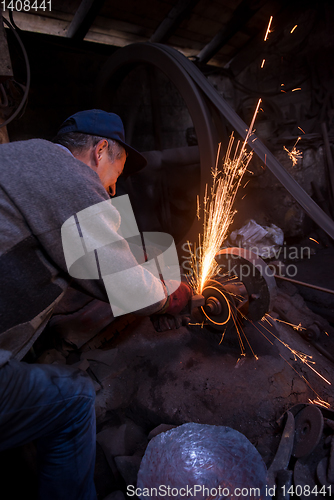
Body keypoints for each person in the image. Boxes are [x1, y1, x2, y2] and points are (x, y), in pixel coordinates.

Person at [0, 109, 192, 500]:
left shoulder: (19, 158)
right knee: (73, 400)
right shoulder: (68, 175)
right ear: (100, 150)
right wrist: (172, 294)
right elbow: (131, 290)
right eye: (114, 178)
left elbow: (66, 258)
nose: (109, 191)